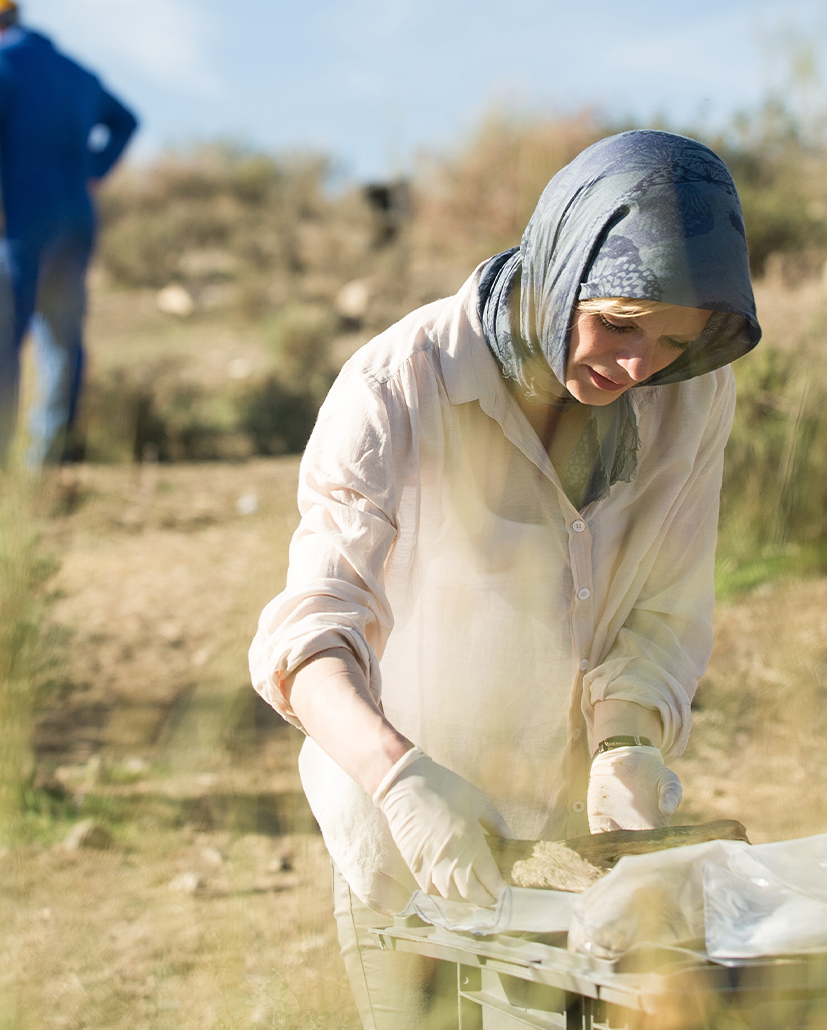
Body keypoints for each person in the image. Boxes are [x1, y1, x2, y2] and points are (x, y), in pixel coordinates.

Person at [248, 130, 763, 1029]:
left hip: (574, 863)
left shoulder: (689, 395)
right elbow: (310, 636)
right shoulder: (397, 388)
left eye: (675, 342)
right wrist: (402, 781)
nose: (640, 367)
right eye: (618, 324)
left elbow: (665, 599)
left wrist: (625, 745)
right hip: (405, 846)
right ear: (560, 270)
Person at [0, 0, 139, 468]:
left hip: (16, 222)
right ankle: (49, 455)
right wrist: (93, 170)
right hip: (75, 220)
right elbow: (126, 121)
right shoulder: (76, 72)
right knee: (61, 338)